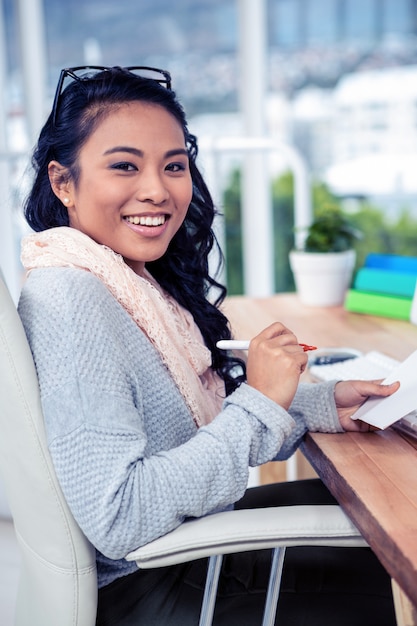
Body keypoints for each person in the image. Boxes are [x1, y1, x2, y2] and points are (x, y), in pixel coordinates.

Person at [17, 66, 399, 626]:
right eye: (124, 165)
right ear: (63, 183)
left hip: (184, 552)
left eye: (174, 166)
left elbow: (185, 434)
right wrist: (261, 403)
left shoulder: (120, 282)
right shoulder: (73, 299)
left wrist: (322, 404)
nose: (158, 189)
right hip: (159, 588)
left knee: (385, 513)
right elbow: (121, 514)